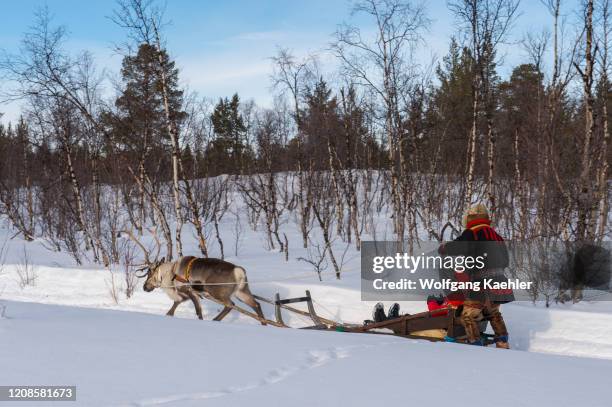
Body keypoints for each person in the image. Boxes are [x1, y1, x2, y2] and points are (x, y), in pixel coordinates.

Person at [439, 204, 514, 348]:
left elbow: (457, 246)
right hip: (498, 282)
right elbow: (506, 261)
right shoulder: (495, 235)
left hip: (480, 284)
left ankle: (475, 345)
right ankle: (503, 341)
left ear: (469, 218)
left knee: (467, 315)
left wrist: (444, 248)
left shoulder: (472, 232)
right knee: (493, 313)